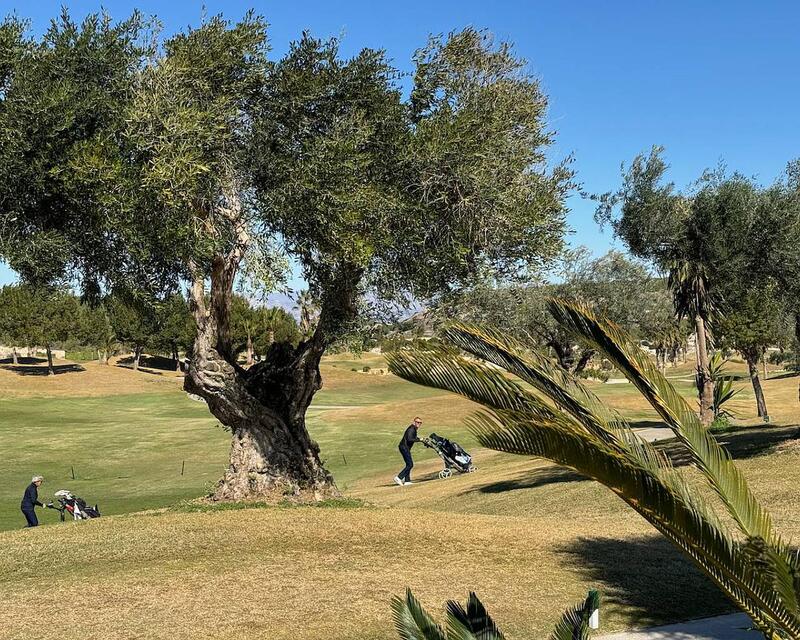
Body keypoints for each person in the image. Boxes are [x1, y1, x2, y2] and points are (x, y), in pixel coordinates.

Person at [394, 417, 423, 486]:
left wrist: (421, 439)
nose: (419, 424)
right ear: (414, 422)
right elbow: (410, 439)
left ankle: (407, 481)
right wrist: (419, 440)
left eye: (420, 423)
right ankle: (399, 477)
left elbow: (414, 438)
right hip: (404, 447)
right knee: (410, 464)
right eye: (417, 422)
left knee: (408, 464)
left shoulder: (414, 429)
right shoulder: (411, 429)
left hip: (405, 448)